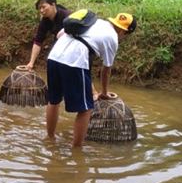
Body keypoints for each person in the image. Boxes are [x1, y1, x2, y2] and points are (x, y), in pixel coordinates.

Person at [45, 12, 137, 149]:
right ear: (124, 31)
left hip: (54, 56)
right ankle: (77, 150)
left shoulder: (95, 21)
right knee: (85, 109)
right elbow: (106, 70)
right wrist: (104, 92)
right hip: (74, 61)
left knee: (54, 100)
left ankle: (50, 139)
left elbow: (59, 34)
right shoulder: (112, 38)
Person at [25, 0, 72, 70]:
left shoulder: (67, 16)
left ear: (53, 5)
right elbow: (38, 41)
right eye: (39, 8)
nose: (41, 10)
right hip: (60, 43)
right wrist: (31, 63)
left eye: (43, 7)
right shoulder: (45, 20)